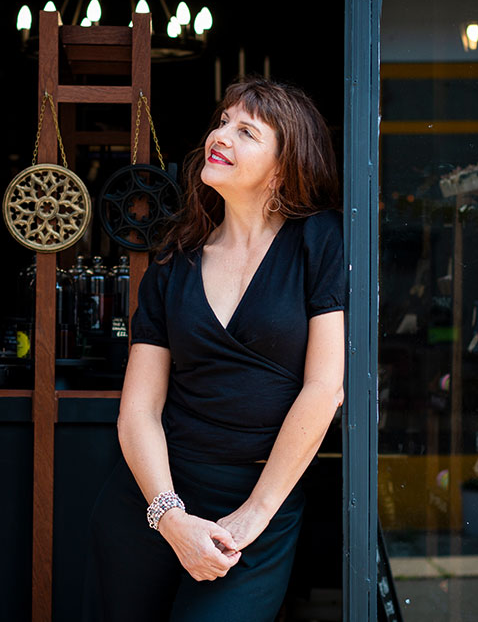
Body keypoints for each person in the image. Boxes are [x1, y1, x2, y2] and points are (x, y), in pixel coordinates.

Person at [84, 77, 345, 622]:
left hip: (255, 504)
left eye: (246, 130)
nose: (220, 135)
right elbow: (139, 411)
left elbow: (325, 388)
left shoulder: (320, 241)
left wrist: (255, 515)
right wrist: (169, 516)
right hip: (154, 500)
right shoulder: (173, 262)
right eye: (222, 121)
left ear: (284, 166)